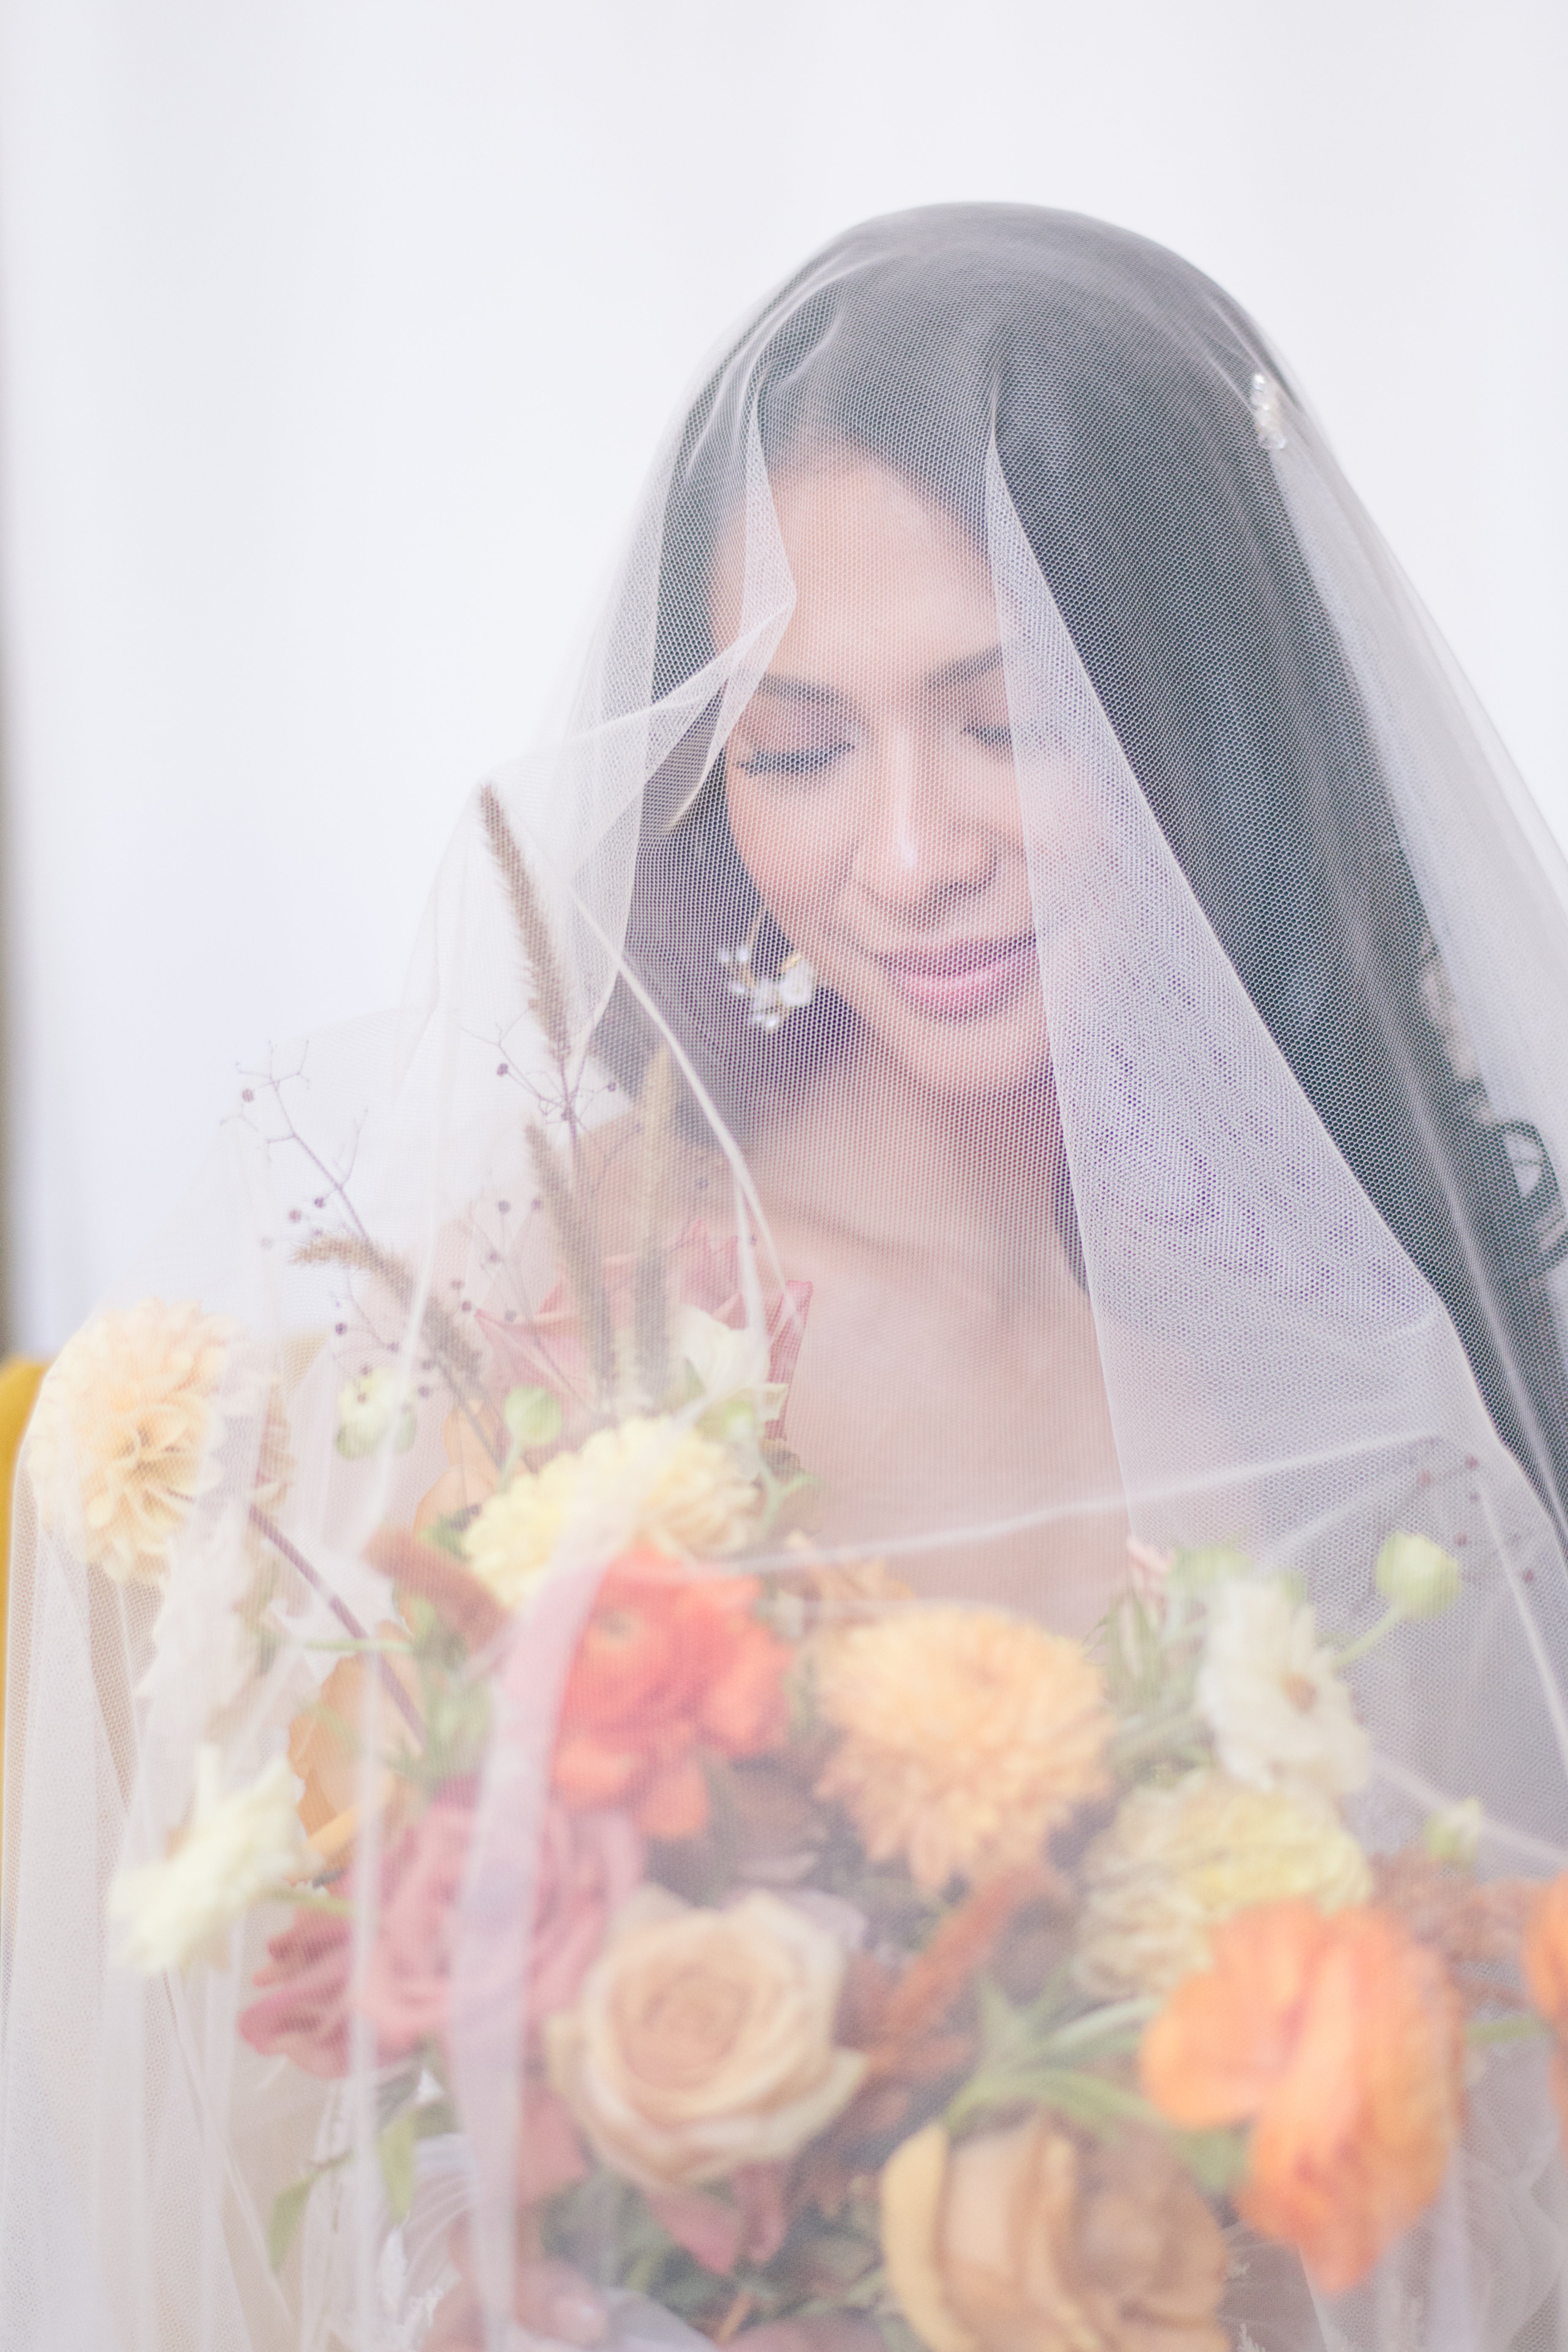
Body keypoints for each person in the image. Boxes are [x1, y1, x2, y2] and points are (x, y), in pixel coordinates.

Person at [5, 204, 1568, 2352]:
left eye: (1006, 725)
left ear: (1205, 716)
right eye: (800, 750)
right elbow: (404, 2170)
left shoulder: (1377, 1321)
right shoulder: (601, 1330)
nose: (905, 854)